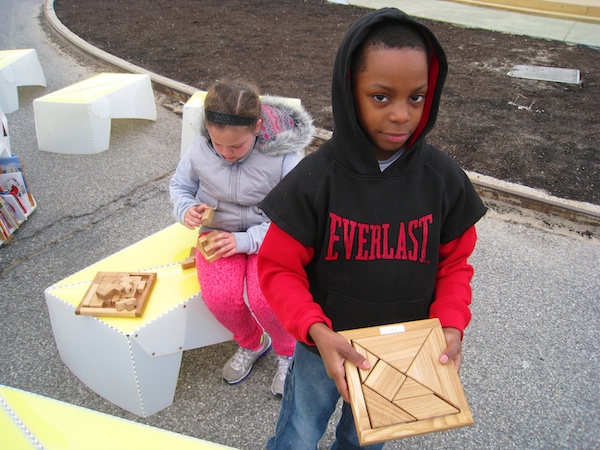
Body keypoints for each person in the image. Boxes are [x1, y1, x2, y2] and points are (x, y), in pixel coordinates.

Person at [257, 8, 487, 449]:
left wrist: (451, 325)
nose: (402, 114)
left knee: (364, 440)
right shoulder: (315, 180)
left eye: (416, 97)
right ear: (350, 92)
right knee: (298, 435)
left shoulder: (443, 179)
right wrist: (316, 332)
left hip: (400, 356)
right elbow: (278, 270)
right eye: (381, 97)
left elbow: (455, 265)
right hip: (321, 348)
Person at [170, 81, 315, 396]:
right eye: (217, 144)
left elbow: (293, 217)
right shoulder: (200, 149)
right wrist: (187, 210)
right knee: (221, 298)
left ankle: (288, 352)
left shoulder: (285, 156)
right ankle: (252, 342)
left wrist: (246, 241)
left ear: (258, 128)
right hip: (218, 234)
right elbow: (179, 187)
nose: (226, 153)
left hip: (270, 236)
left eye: (236, 146)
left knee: (268, 301)